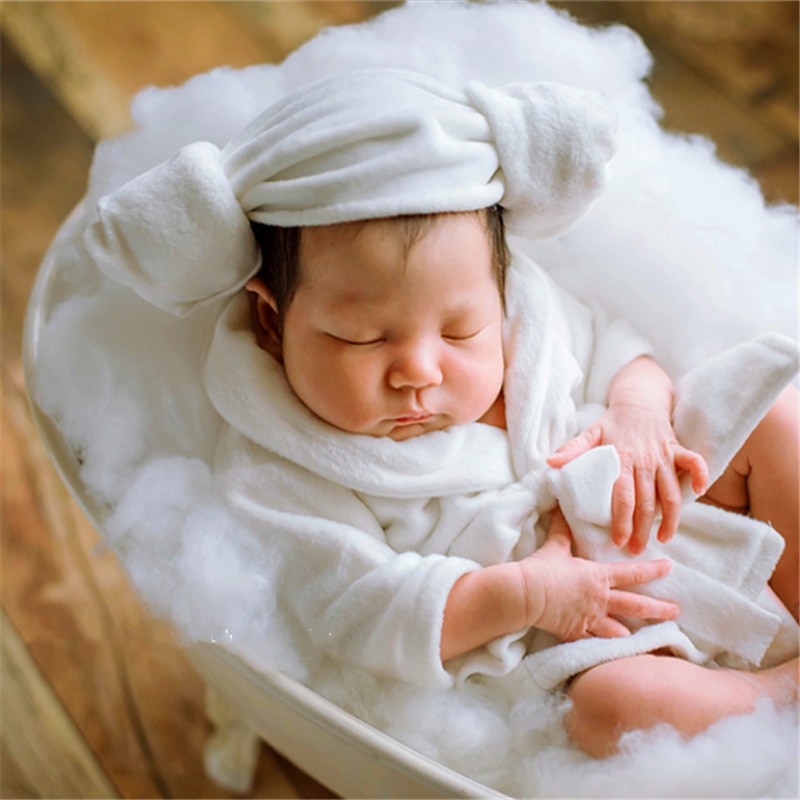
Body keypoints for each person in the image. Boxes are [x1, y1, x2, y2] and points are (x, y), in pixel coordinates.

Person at [83, 69, 799, 757]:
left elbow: (615, 345)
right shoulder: (278, 463)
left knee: (774, 414)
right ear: (272, 322)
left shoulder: (527, 315)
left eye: (460, 332)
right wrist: (521, 596)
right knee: (609, 712)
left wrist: (638, 409)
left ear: (499, 289)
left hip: (652, 500)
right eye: (360, 338)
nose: (419, 372)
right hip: (594, 628)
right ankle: (779, 693)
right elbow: (360, 608)